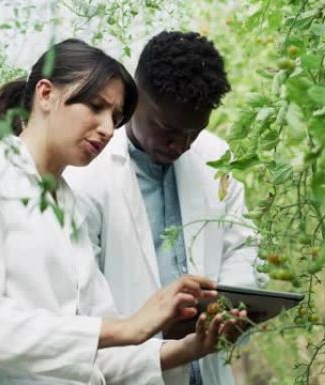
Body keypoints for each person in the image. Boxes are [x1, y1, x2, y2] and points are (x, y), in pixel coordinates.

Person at [0, 38, 244, 385]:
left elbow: (97, 355)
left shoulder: (67, 205)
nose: (107, 128)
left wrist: (190, 347)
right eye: (95, 106)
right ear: (45, 94)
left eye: (116, 117)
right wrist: (129, 326)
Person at [64, 31, 264, 385]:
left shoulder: (216, 160)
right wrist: (158, 327)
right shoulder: (85, 177)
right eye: (168, 129)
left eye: (194, 131)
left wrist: (222, 313)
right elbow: (81, 306)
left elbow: (241, 248)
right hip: (131, 372)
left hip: (209, 370)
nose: (182, 145)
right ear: (134, 98)